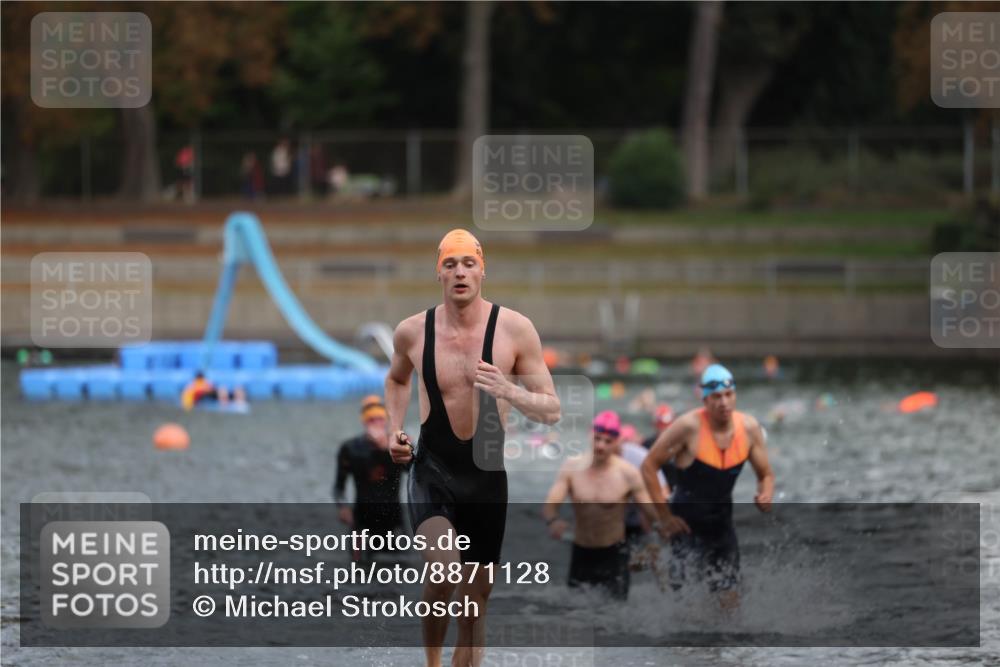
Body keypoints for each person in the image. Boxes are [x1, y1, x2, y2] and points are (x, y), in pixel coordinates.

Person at [385, 228, 560, 667]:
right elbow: (396, 379)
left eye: (468, 264)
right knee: (442, 574)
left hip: (486, 479)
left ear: (483, 271)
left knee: (474, 601)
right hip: (433, 470)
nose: (460, 272)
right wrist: (394, 430)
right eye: (450, 264)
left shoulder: (515, 330)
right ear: (438, 274)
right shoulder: (412, 332)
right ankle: (431, 664)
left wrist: (510, 390)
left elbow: (552, 410)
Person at [641, 364, 775, 609]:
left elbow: (765, 474)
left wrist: (765, 492)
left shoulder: (749, 428)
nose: (723, 403)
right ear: (705, 399)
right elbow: (649, 466)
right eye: (716, 397)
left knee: (729, 603)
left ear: (734, 395)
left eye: (728, 395)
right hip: (685, 524)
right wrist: (664, 516)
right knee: (683, 606)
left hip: (722, 524)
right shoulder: (687, 427)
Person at [542, 411, 658, 601]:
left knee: (616, 618)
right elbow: (550, 505)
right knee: (575, 615)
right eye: (597, 439)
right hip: (581, 553)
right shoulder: (572, 467)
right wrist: (553, 521)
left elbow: (652, 513)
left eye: (608, 441)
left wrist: (651, 544)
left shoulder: (628, 473)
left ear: (618, 441)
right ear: (590, 436)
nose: (601, 446)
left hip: (614, 554)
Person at [334, 395, 404, 561]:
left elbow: (416, 470)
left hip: (393, 521)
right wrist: (343, 507)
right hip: (362, 520)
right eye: (371, 420)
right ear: (364, 423)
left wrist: (386, 448)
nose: (376, 424)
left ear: (386, 421)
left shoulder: (399, 445)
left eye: (380, 419)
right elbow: (338, 487)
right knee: (359, 571)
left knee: (403, 569)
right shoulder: (351, 448)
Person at [180, 371, 246, 411]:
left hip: (205, 400)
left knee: (224, 391)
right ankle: (229, 402)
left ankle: (230, 401)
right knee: (223, 391)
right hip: (203, 401)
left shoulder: (192, 386)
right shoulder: (198, 385)